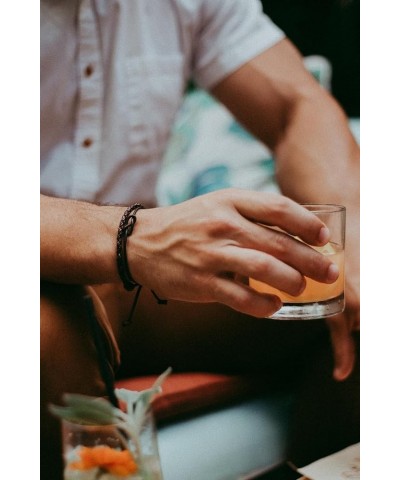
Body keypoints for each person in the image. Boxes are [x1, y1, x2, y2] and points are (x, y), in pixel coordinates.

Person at [41, 1, 360, 479]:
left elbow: (295, 108)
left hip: (140, 288)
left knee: (361, 297)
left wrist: (357, 244)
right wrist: (133, 235)